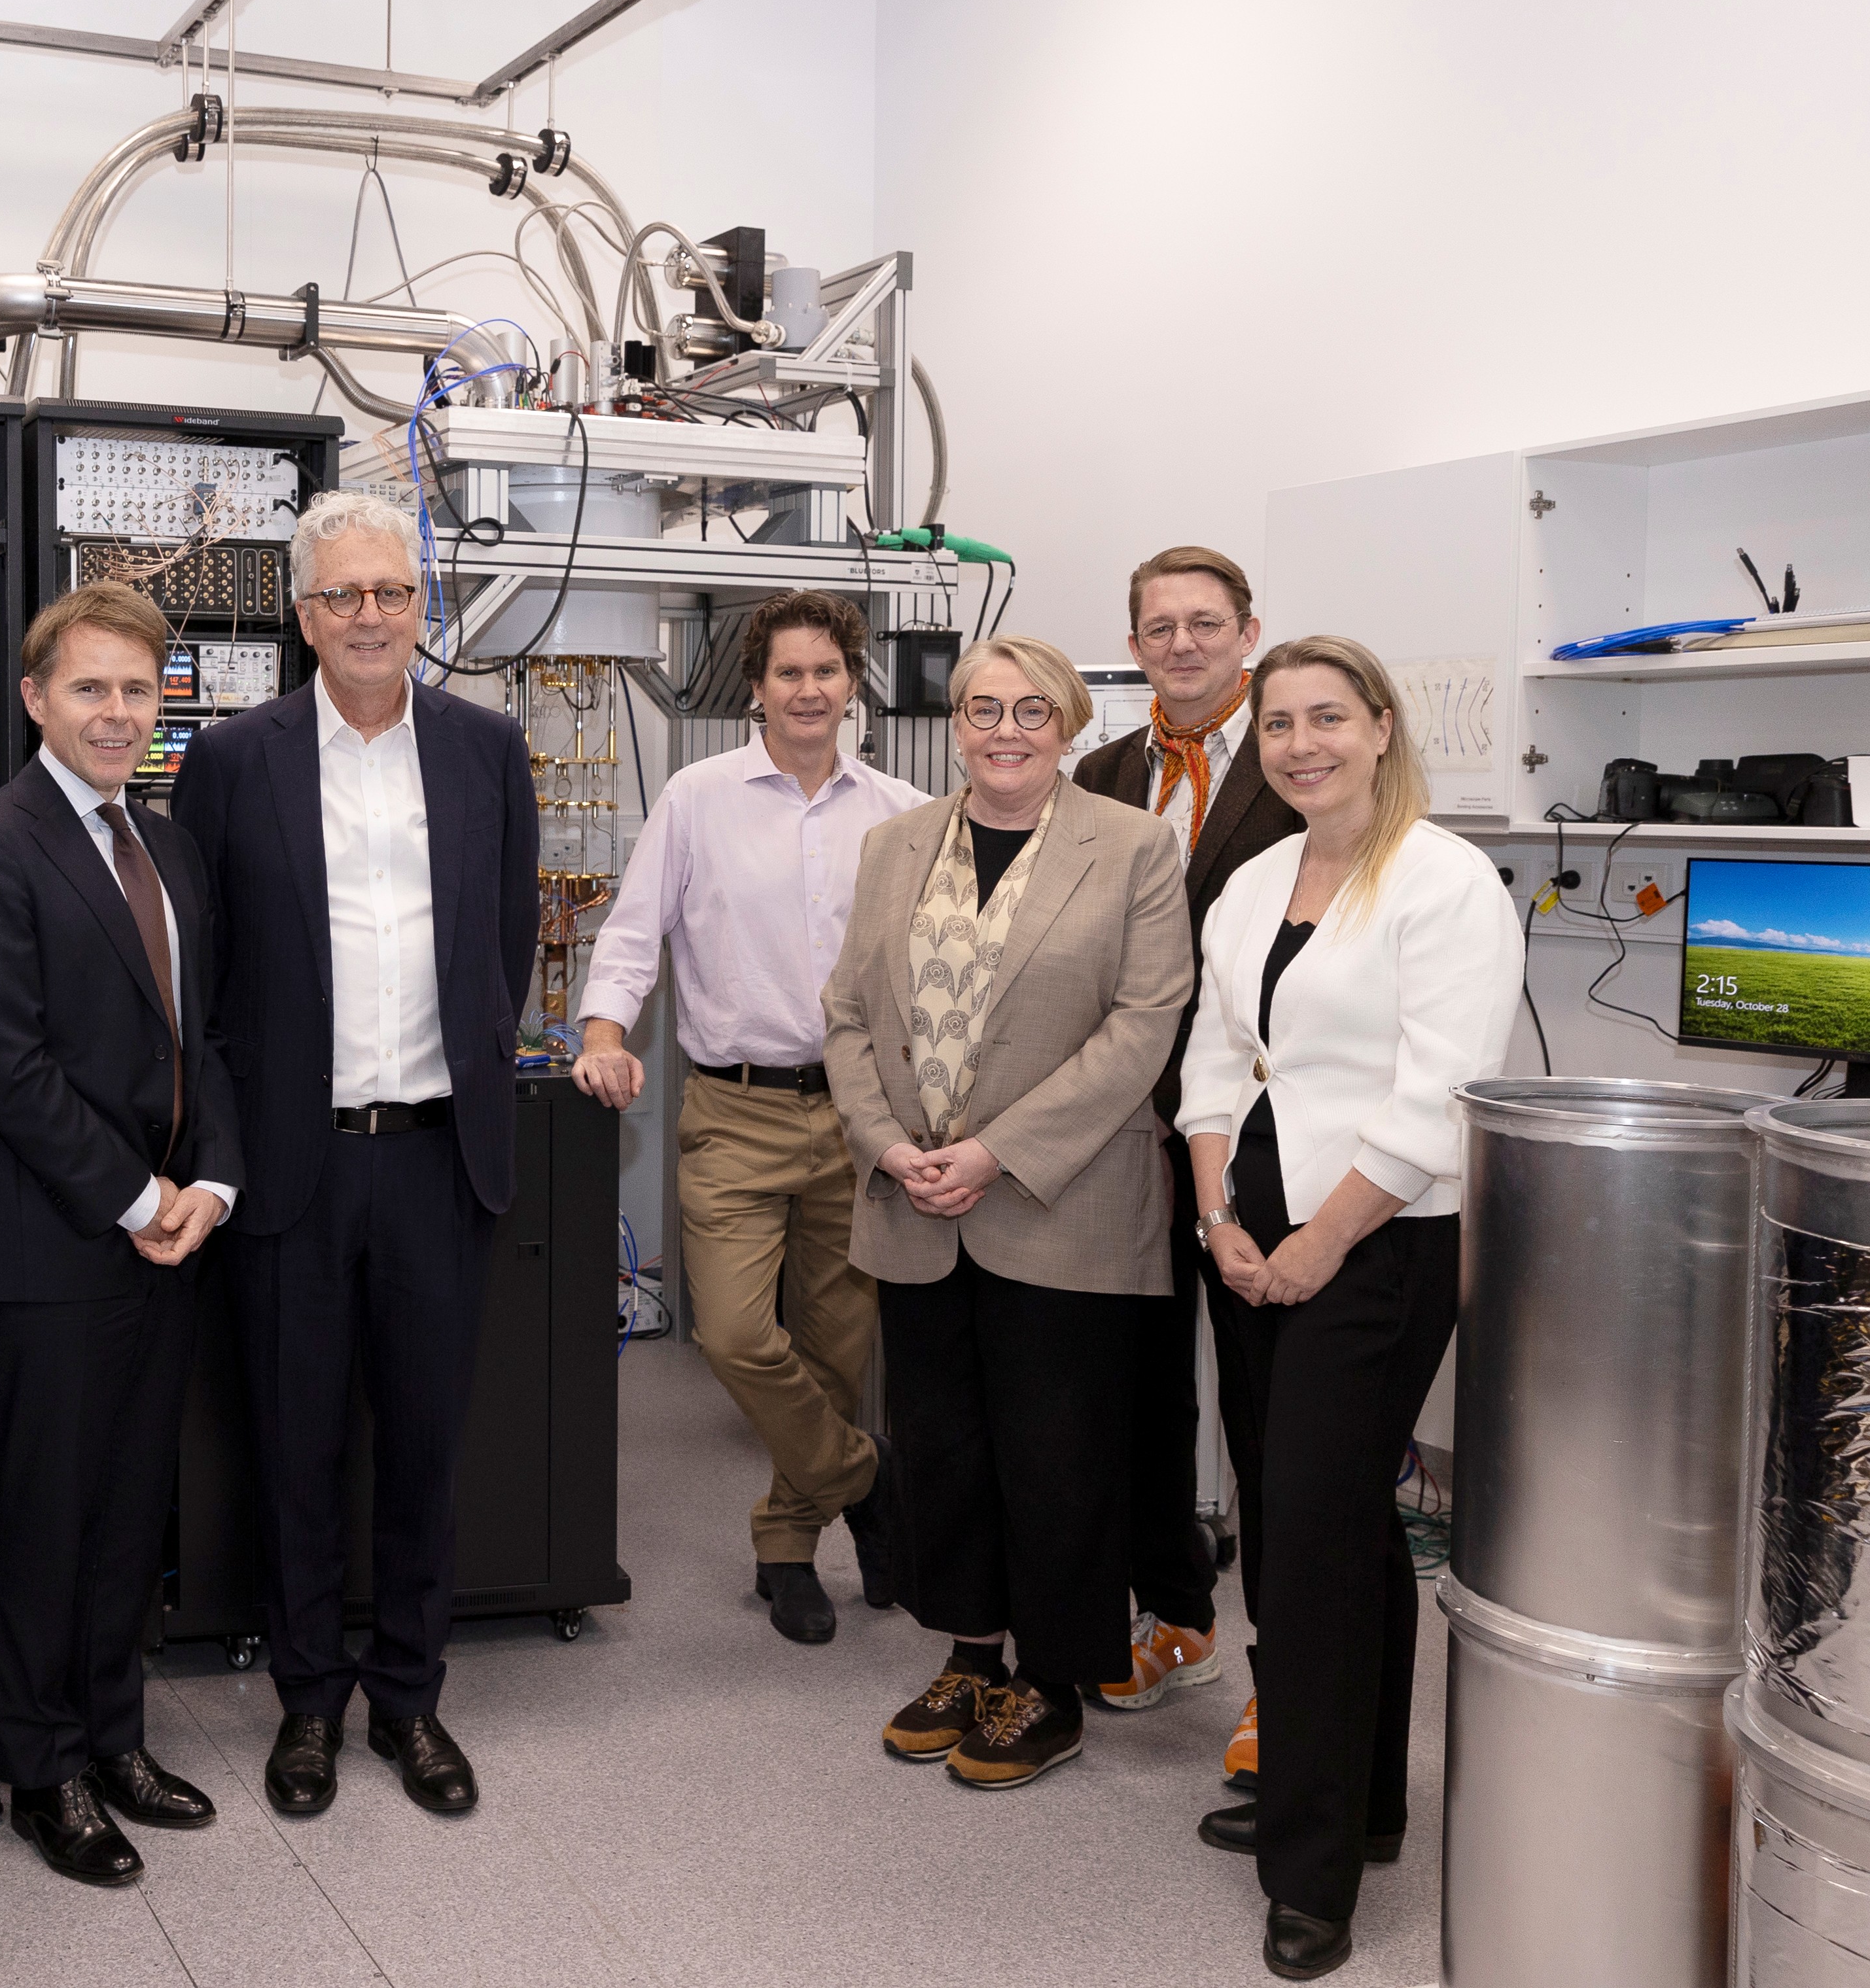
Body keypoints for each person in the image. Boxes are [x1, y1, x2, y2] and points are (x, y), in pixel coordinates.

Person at [170, 493, 538, 1821]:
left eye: (390, 591)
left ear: (420, 605)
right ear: (302, 613)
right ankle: (310, 1701)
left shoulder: (488, 750)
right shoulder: (232, 758)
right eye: (342, 595)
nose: (370, 614)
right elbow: (201, 978)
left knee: (426, 1446)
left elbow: (503, 940)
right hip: (291, 1164)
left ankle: (411, 1696)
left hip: (439, 1156)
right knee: (295, 1445)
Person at [1174, 635, 1520, 1981]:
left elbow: (1439, 1094)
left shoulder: (1444, 882)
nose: (1302, 741)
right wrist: (1221, 1222)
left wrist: (1317, 1243)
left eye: (1329, 716)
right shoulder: (1260, 877)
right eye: (1279, 723)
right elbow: (1213, 1055)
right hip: (1250, 1232)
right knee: (1310, 1516)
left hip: (1375, 1244)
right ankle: (1364, 1798)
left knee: (1307, 1545)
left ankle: (1310, 1870)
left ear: (1382, 726)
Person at [819, 634, 1192, 1792]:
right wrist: (887, 1144)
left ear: (1070, 722)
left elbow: (1144, 1025)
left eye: (1033, 710)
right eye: (984, 708)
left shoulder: (1134, 848)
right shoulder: (893, 844)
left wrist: (996, 1150)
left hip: (1064, 1201)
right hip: (917, 1204)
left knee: (1060, 1454)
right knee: (941, 1444)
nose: (1005, 730)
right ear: (956, 721)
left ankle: (1055, 1678)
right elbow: (844, 1010)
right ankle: (972, 1651)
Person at [0, 582, 243, 1887]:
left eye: (138, 688)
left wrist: (210, 1185)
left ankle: (115, 1734)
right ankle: (41, 1770)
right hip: (51, 1246)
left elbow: (201, 1039)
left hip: (165, 1240)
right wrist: (133, 1196)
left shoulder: (165, 845)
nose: (119, 711)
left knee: (126, 1515)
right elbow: (3, 1063)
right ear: (37, 698)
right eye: (92, 687)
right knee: (45, 1520)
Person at [573, 589, 921, 1646]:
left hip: (862, 1118)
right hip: (733, 1106)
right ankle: (866, 1477)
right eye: (787, 673)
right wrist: (601, 1033)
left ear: (851, 684)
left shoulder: (903, 811)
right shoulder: (698, 797)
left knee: (834, 1350)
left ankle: (787, 1549)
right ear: (755, 689)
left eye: (826, 671)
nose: (808, 689)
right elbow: (634, 934)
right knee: (731, 1330)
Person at [1069, 545, 1302, 1751]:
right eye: (1158, 627)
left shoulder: (1300, 758)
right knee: (1142, 1394)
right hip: (1126, 1140)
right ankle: (1177, 1614)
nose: (1181, 645)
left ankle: (1283, 1673)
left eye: (1204, 624)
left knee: (1264, 1414)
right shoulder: (1103, 773)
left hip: (1257, 1144)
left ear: (1247, 630)